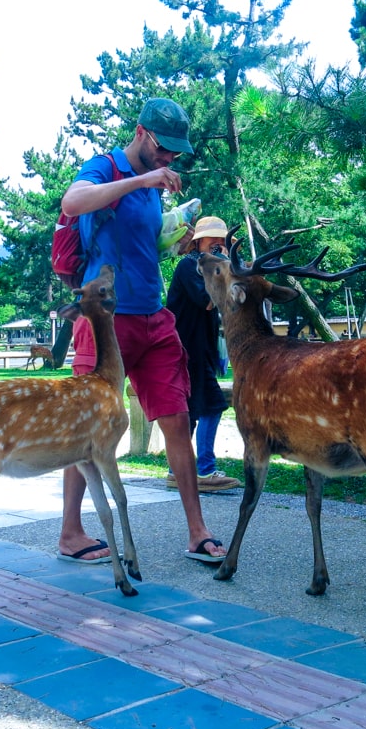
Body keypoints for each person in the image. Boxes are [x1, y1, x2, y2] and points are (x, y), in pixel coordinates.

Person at [56, 98, 229, 565]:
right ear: (141, 133)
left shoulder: (156, 186)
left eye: (175, 152)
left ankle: (198, 531)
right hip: (107, 324)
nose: (170, 159)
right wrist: (144, 178)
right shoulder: (105, 166)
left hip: (154, 318)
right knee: (86, 430)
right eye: (164, 149)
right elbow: (72, 202)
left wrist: (175, 235)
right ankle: (71, 532)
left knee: (177, 420)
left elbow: (140, 244)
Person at [165, 215, 242, 492]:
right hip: (187, 349)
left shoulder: (205, 266)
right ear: (198, 242)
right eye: (213, 240)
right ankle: (205, 470)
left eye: (222, 242)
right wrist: (226, 268)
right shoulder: (190, 266)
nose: (218, 245)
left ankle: (176, 471)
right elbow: (209, 301)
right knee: (212, 405)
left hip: (199, 349)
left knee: (191, 410)